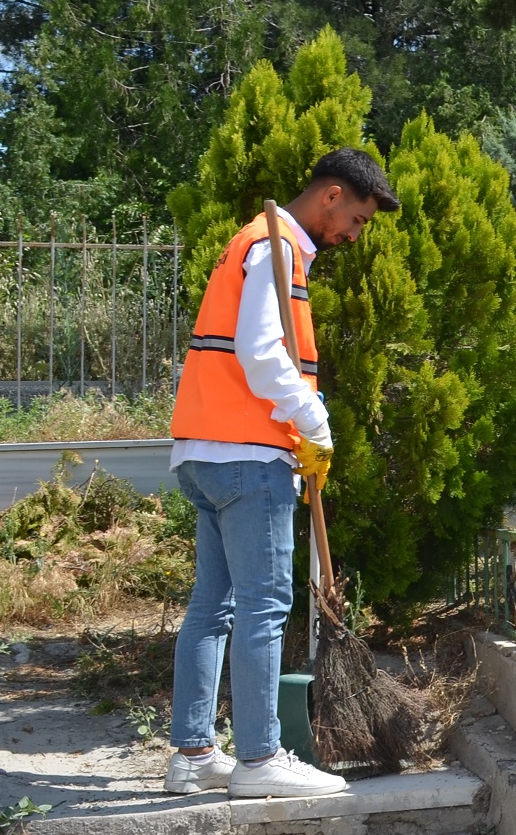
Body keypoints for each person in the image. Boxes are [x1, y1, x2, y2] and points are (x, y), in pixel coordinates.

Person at [163, 149, 399, 799]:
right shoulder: (276, 247)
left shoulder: (252, 243)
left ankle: (192, 755)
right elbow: (261, 351)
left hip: (203, 452)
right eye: (356, 218)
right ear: (330, 196)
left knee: (212, 606)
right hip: (249, 455)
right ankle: (261, 760)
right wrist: (313, 420)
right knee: (264, 605)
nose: (355, 233)